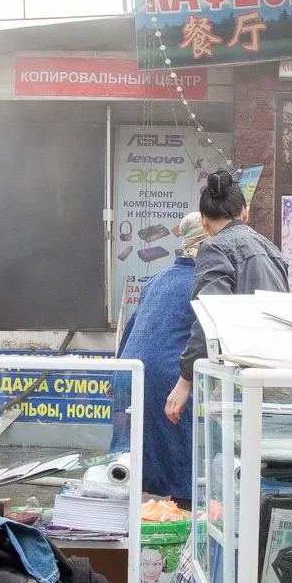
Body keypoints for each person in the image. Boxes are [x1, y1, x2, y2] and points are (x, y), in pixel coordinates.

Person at [164, 169, 289, 425]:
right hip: (282, 374)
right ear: (245, 211)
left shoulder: (213, 247)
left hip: (242, 377)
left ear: (204, 220)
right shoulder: (272, 249)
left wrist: (184, 380)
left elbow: (209, 317)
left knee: (231, 460)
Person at [111, 212, 207, 504]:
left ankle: (132, 531)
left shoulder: (158, 278)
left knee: (129, 465)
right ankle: (181, 529)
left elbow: (132, 326)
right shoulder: (204, 282)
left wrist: (116, 374)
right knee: (180, 468)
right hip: (166, 379)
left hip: (128, 374)